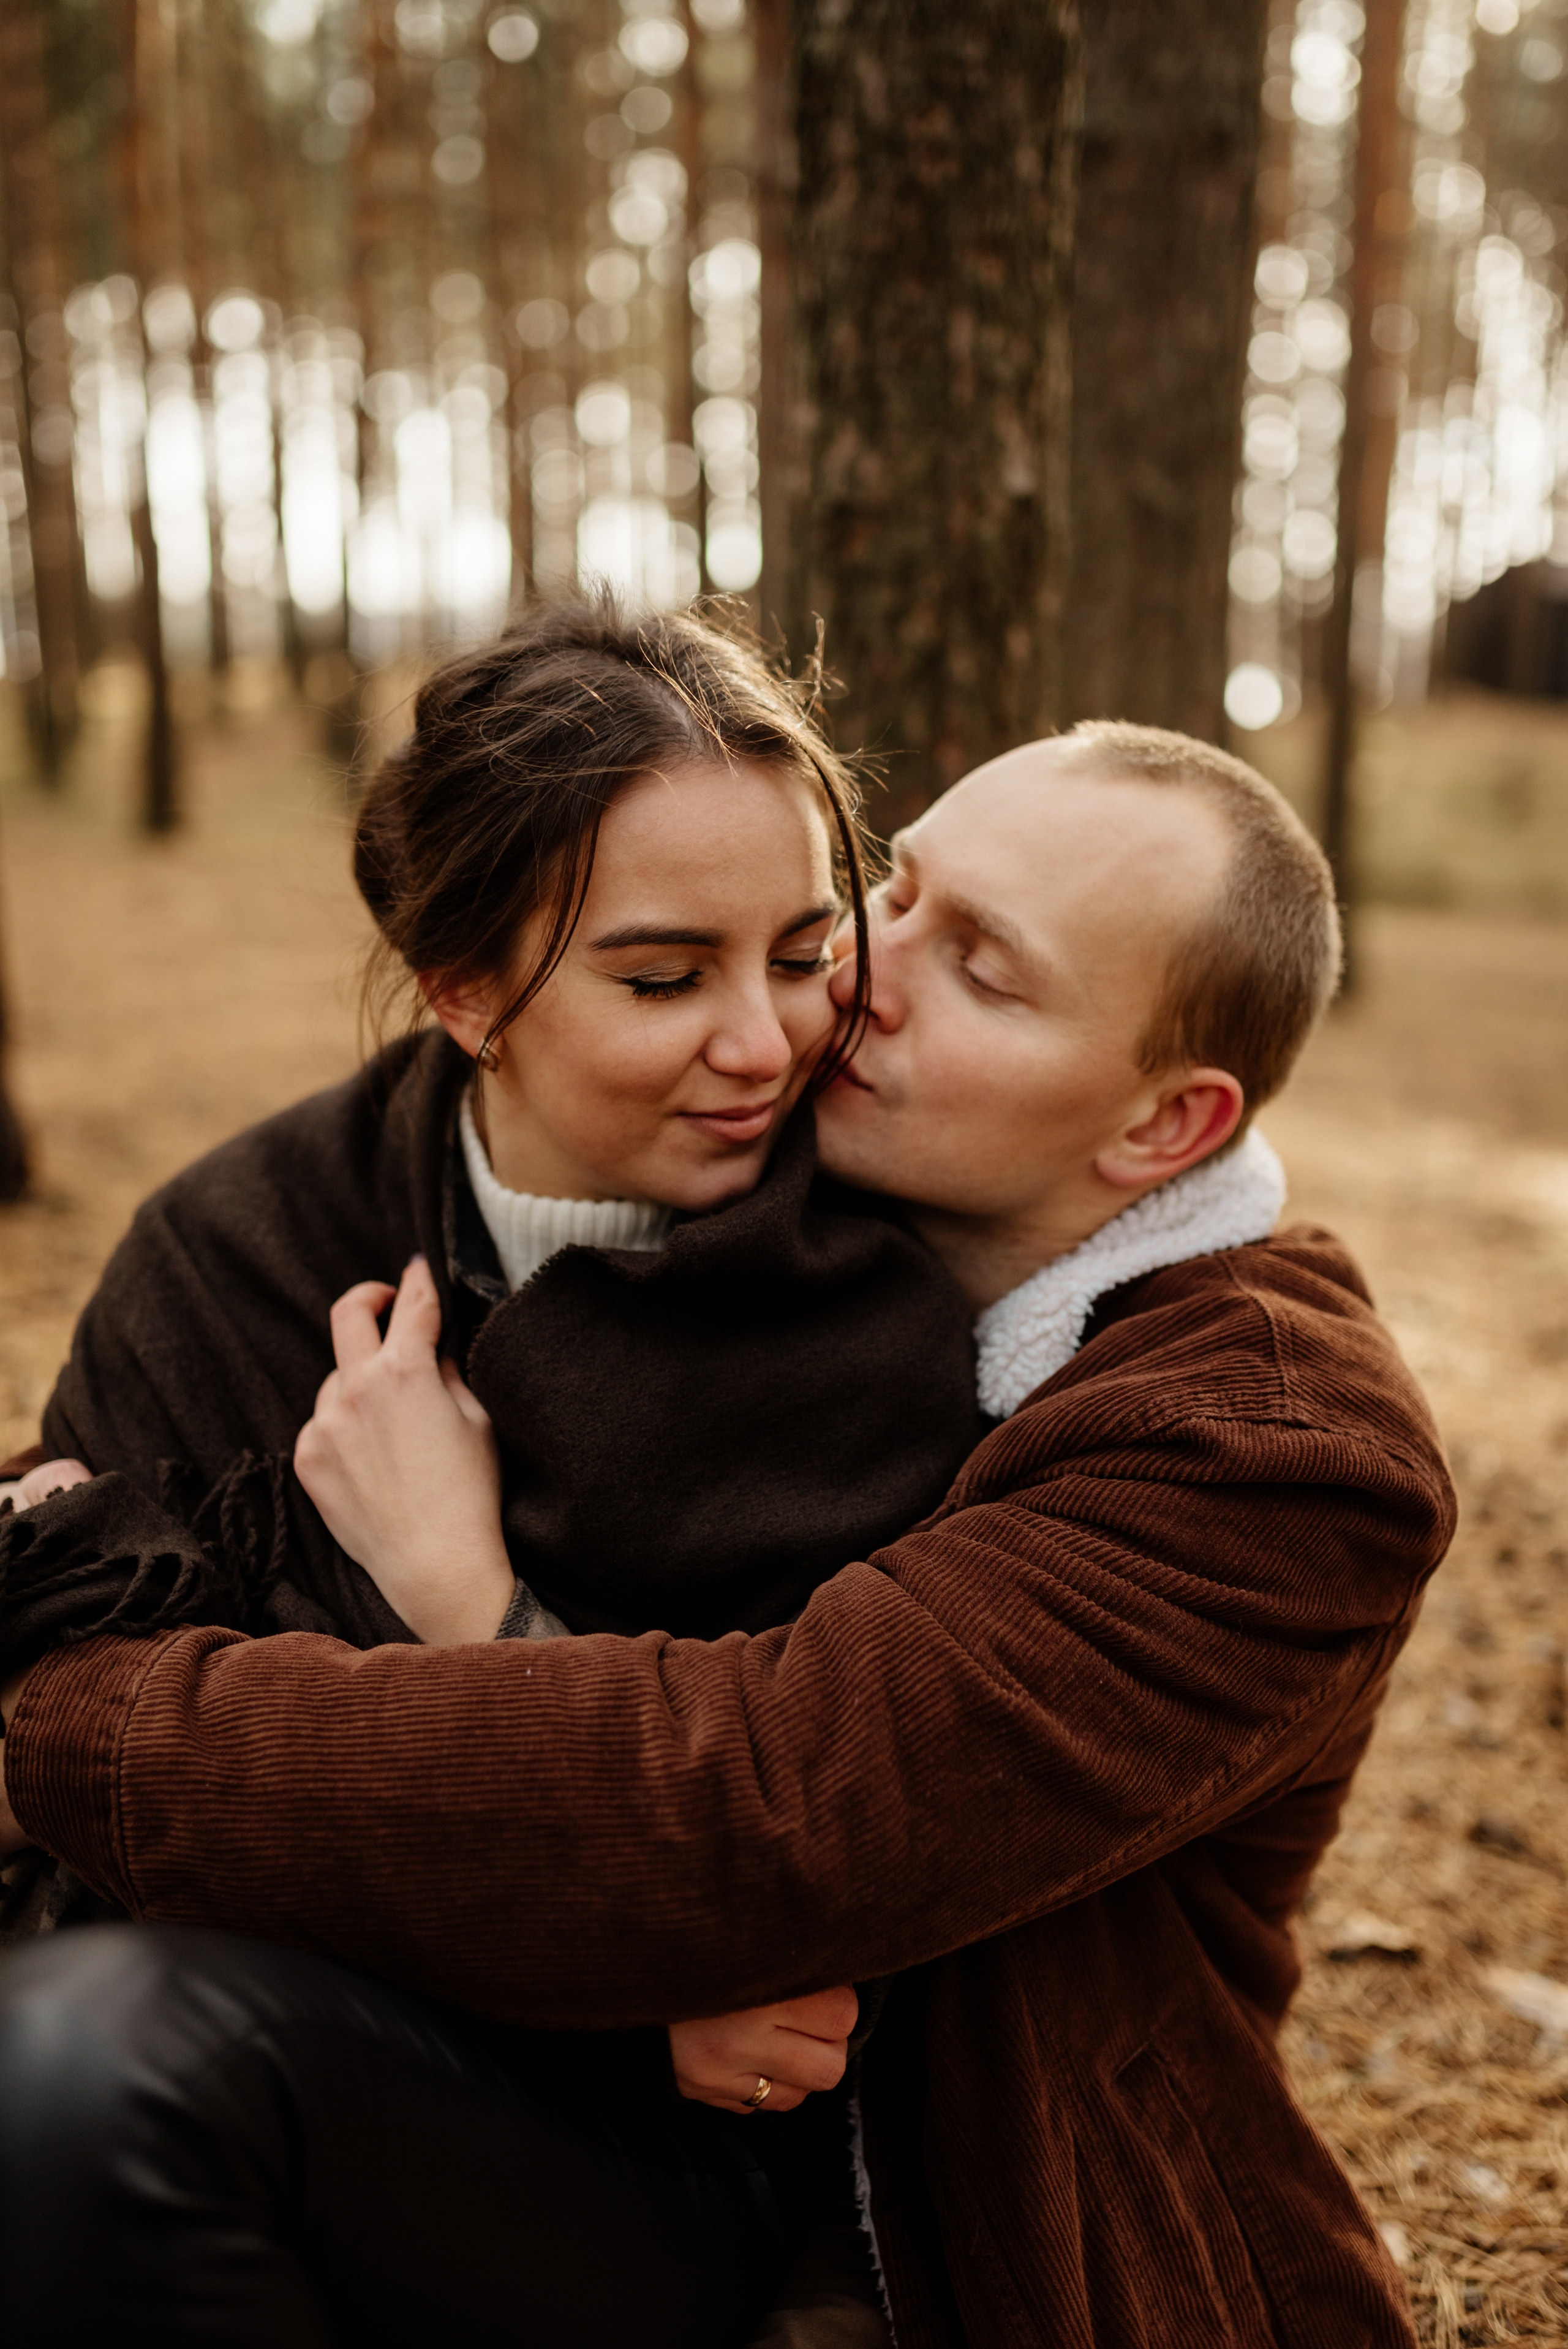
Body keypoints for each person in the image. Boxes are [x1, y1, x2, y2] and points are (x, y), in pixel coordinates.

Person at [0, 720, 1456, 2347]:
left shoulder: (1272, 1453)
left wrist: (89, 1714)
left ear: (1159, 1131)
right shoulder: (724, 1173)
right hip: (547, 2103)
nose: (856, 982)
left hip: (945, 2221)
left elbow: (760, 1810)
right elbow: (93, 1503)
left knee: (98, 2074)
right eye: (894, 894)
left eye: (984, 968)